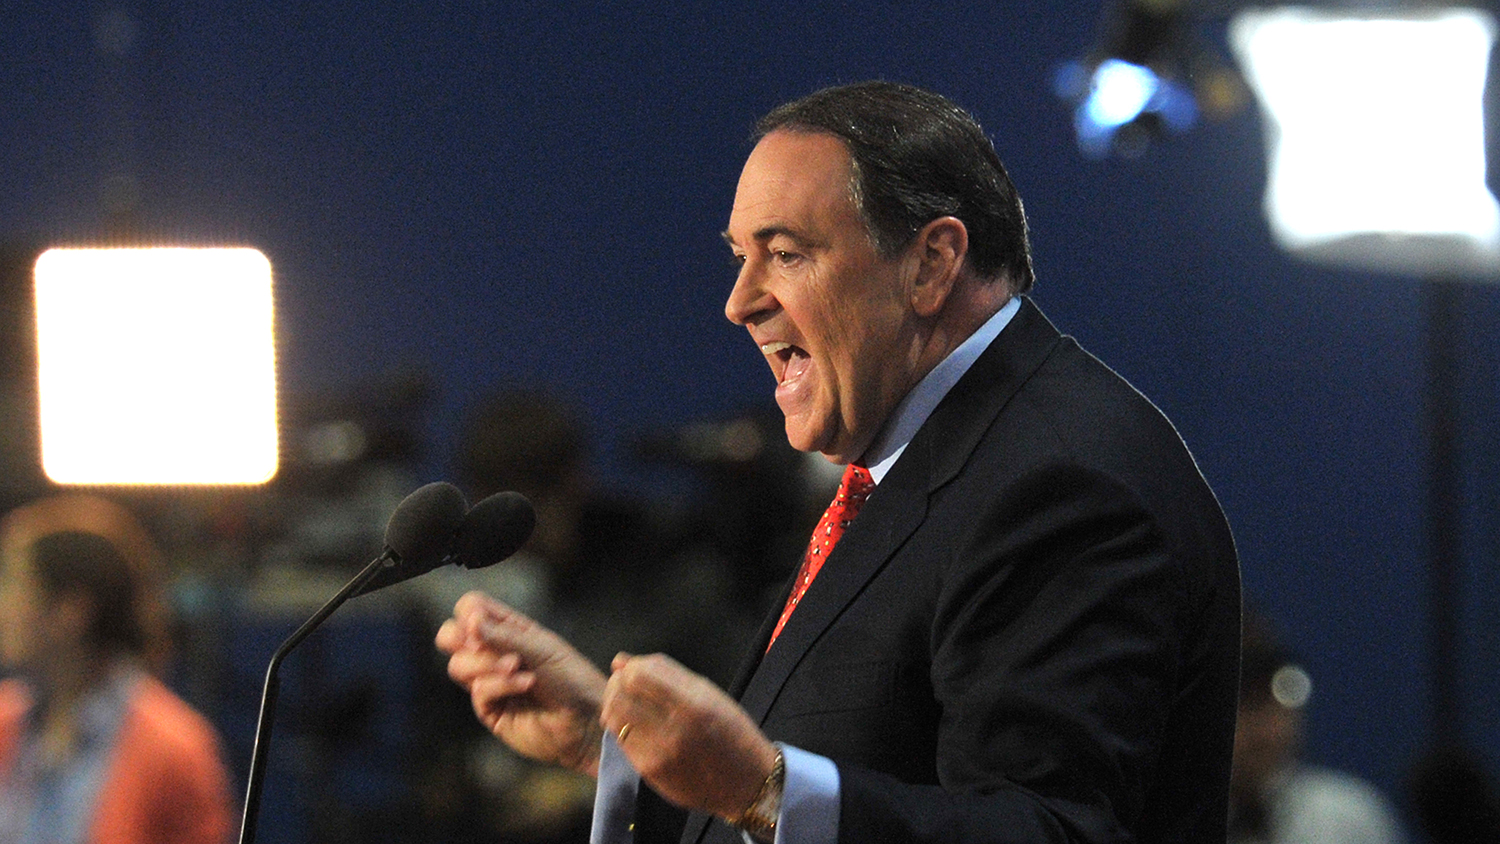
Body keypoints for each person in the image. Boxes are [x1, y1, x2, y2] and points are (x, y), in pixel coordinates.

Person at [438, 80, 1240, 844]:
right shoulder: (913, 465)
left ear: (931, 264)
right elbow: (851, 775)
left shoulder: (1061, 482)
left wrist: (761, 789)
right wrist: (607, 738)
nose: (740, 301)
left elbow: (1051, 830)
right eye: (739, 257)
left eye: (784, 253)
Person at [0, 494, 235, 844]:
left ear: (71, 610)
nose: (4, 606)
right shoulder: (6, 723)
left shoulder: (175, 748)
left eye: (14, 584)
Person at [1229, 613, 1406, 844]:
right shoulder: (1176, 815)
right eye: (1245, 706)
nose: (1265, 731)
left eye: (1272, 704)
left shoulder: (1349, 815)